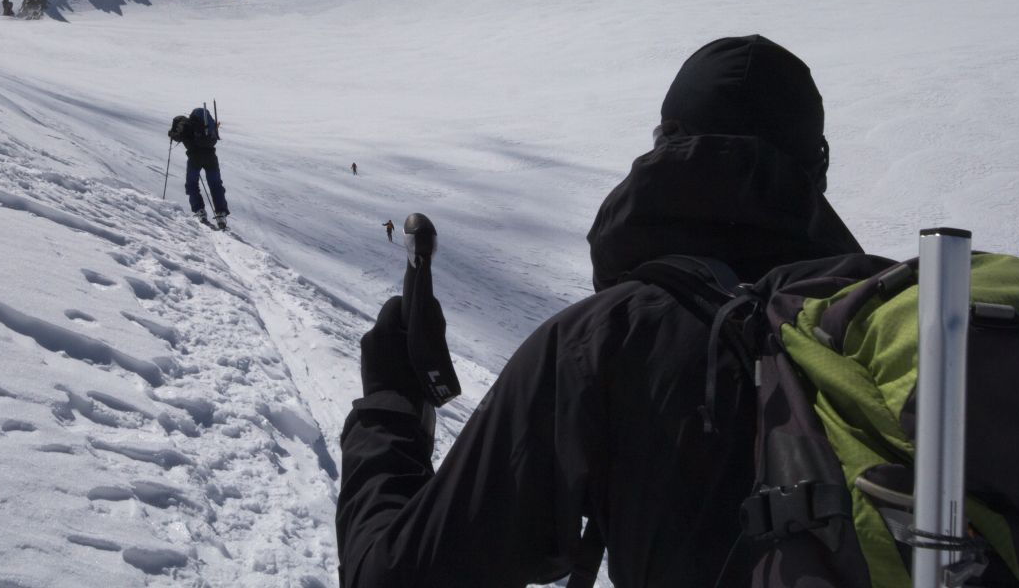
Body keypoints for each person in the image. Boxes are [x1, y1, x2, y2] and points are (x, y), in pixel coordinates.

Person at [337, 35, 862, 587]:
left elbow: (396, 577)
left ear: (668, 145)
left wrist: (392, 406)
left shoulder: (605, 341)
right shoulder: (906, 325)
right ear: (814, 172)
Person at [171, 106, 230, 228]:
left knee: (192, 184)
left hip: (195, 159)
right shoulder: (209, 125)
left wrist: (171, 133)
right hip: (211, 157)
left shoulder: (186, 124)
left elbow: (177, 136)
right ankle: (221, 213)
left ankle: (200, 211)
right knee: (215, 184)